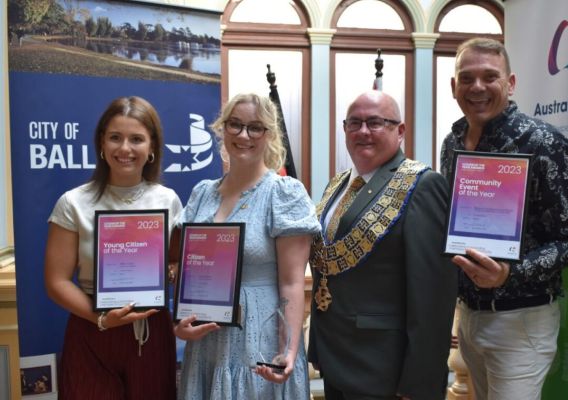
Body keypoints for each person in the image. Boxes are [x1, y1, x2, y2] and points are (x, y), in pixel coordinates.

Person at [440, 37, 568, 400]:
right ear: (454, 87)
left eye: (489, 76)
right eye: (467, 78)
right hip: (468, 315)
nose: (477, 87)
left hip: (521, 320)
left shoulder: (543, 143)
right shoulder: (451, 144)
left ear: (510, 83)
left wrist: (511, 272)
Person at [308, 90, 457, 400]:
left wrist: (421, 382)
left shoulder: (422, 184)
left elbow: (432, 295)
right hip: (336, 358)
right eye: (355, 123)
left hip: (384, 368)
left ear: (399, 131)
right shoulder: (337, 184)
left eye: (375, 122)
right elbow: (326, 267)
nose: (363, 131)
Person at [173, 93, 320, 399]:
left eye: (255, 127)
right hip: (206, 340)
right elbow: (188, 269)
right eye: (235, 125)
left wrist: (289, 348)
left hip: (260, 336)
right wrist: (179, 323)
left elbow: (292, 282)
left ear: (269, 135)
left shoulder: (283, 193)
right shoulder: (202, 194)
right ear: (222, 129)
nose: (243, 135)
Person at [44, 96, 182, 400]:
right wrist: (101, 319)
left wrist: (169, 274)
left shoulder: (168, 200)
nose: (125, 149)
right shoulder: (73, 202)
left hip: (150, 330)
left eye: (137, 139)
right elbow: (56, 281)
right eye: (115, 137)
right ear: (102, 144)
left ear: (152, 148)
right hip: (92, 329)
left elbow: (175, 262)